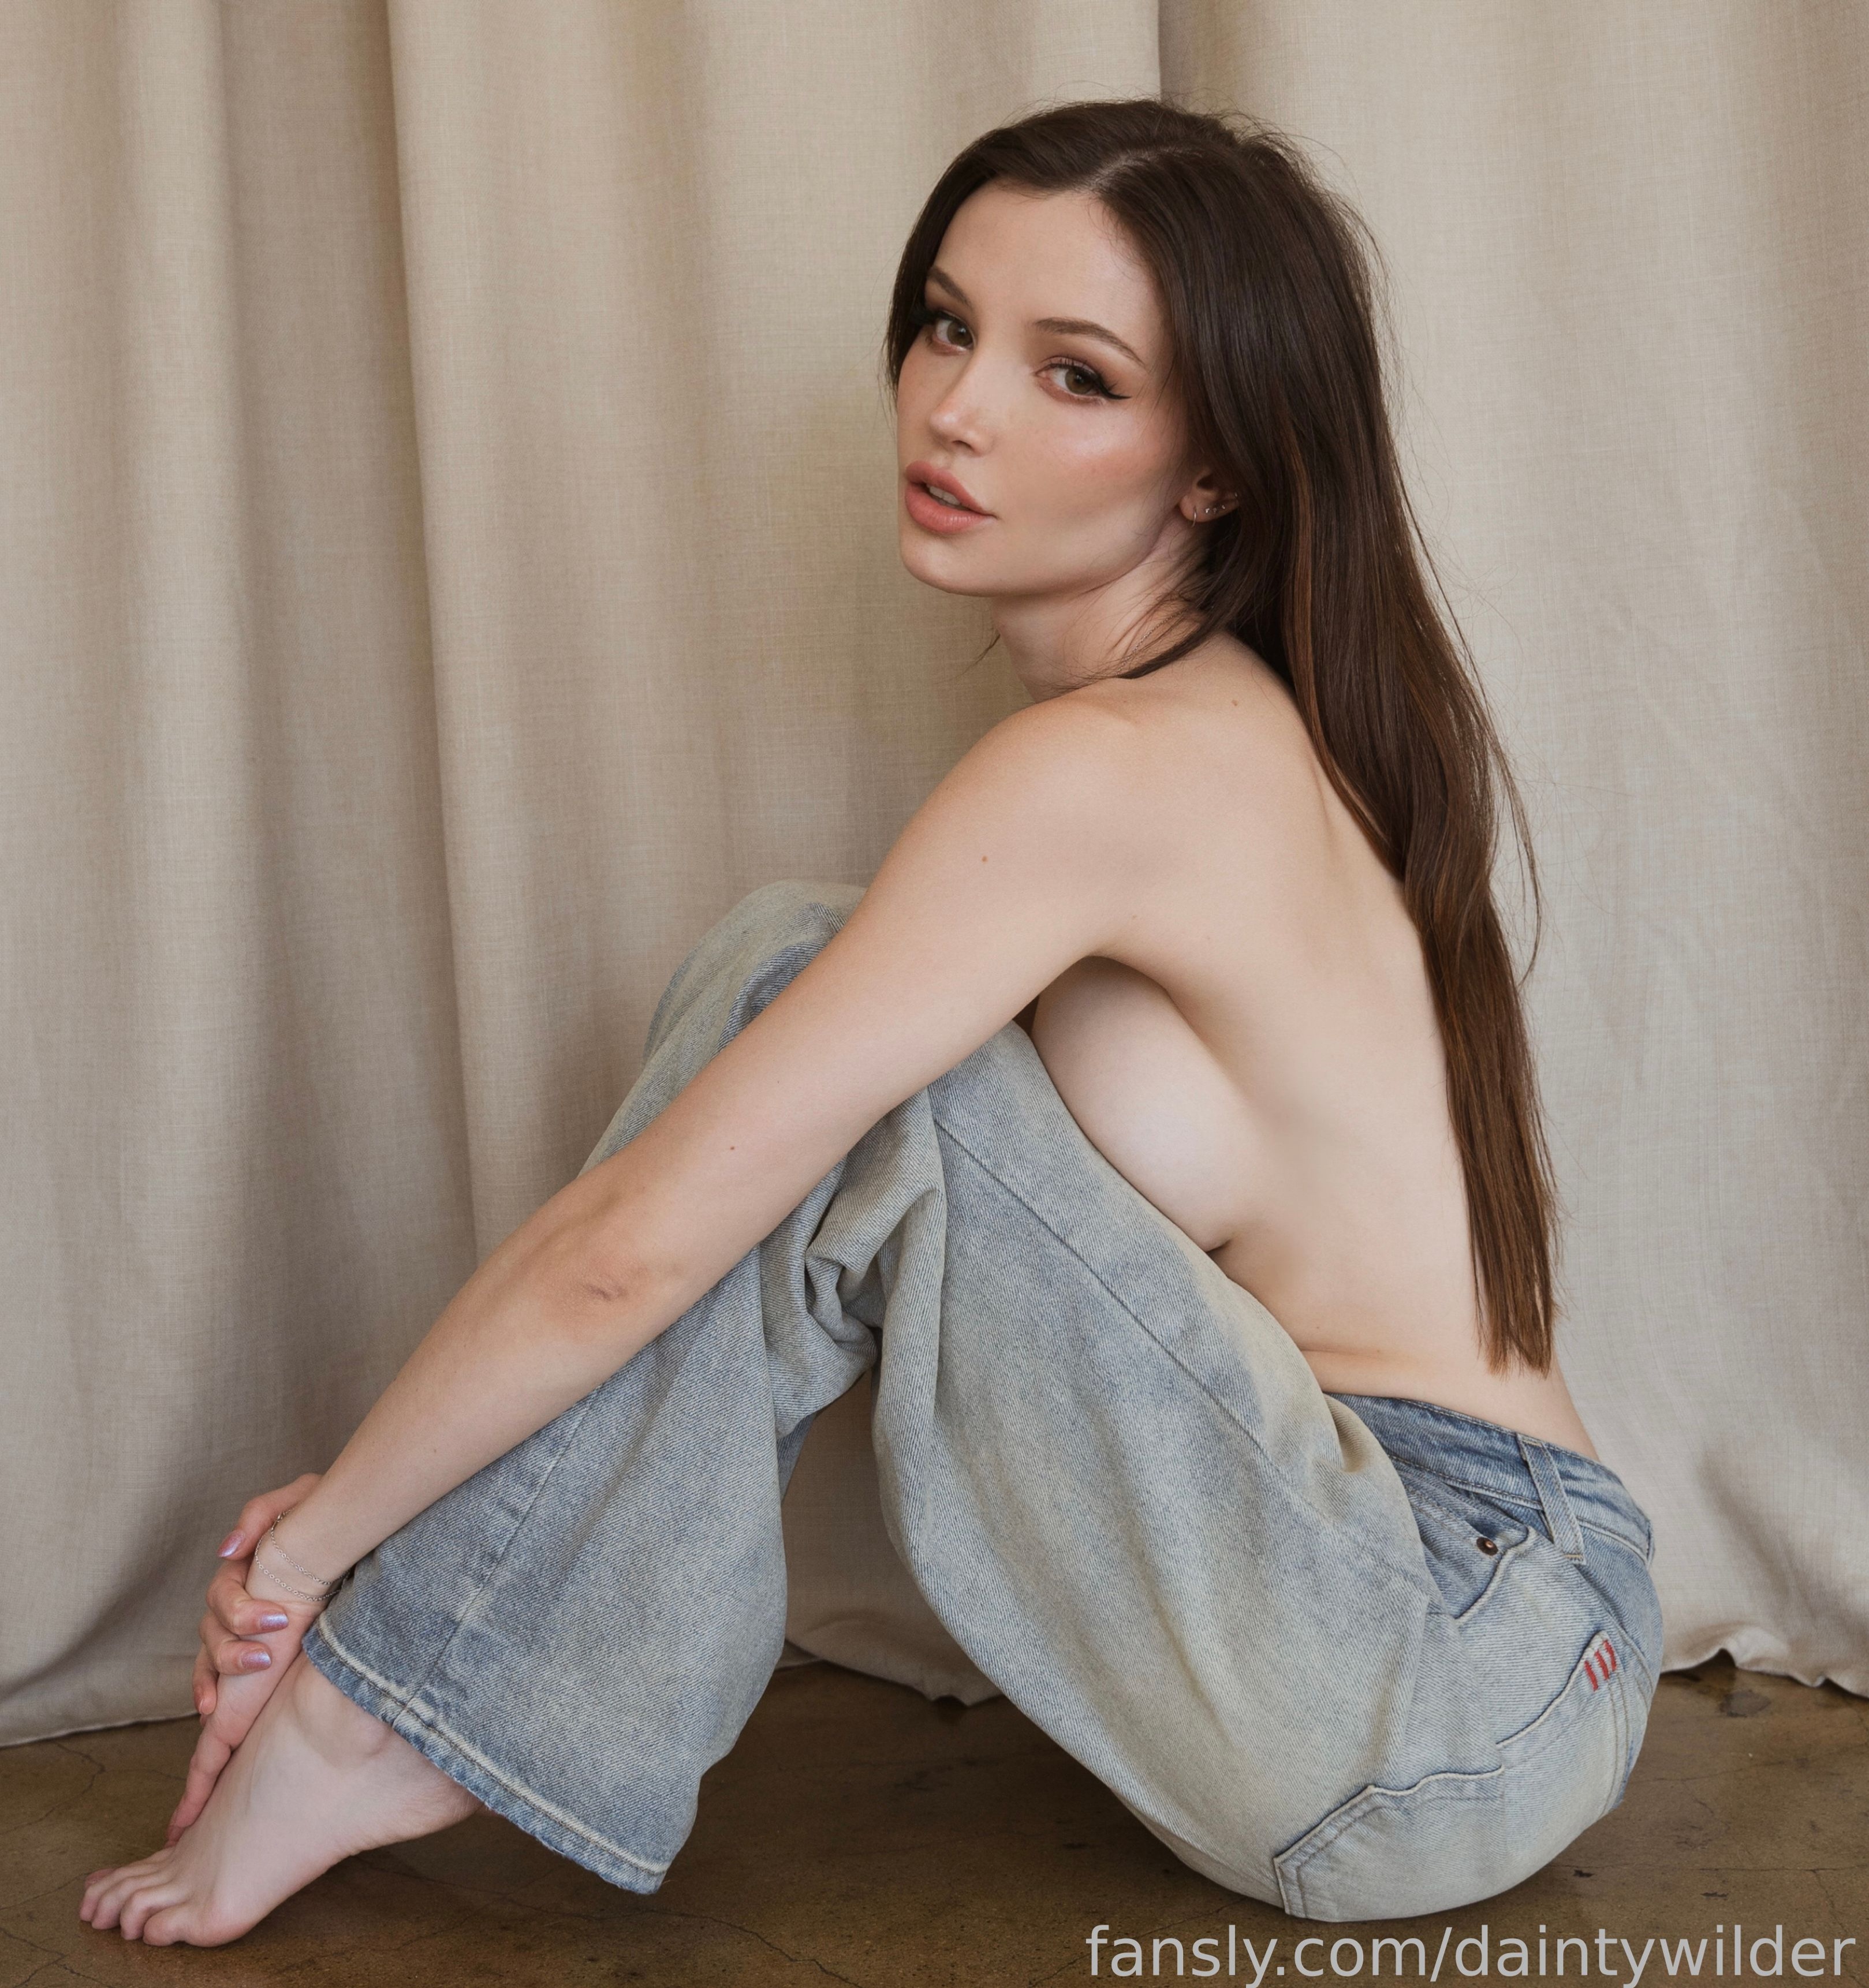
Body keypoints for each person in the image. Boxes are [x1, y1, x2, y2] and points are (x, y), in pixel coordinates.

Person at [80, 99, 1661, 1948]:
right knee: (817, 989)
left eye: (1075, 375)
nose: (958, 408)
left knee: (793, 980)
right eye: (945, 325)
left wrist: (315, 1542)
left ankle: (381, 1712)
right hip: (1499, 1670)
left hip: (1440, 1662)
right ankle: (419, 1687)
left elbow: (636, 1245)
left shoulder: (1106, 772)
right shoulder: (1230, 724)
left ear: (1218, 469)